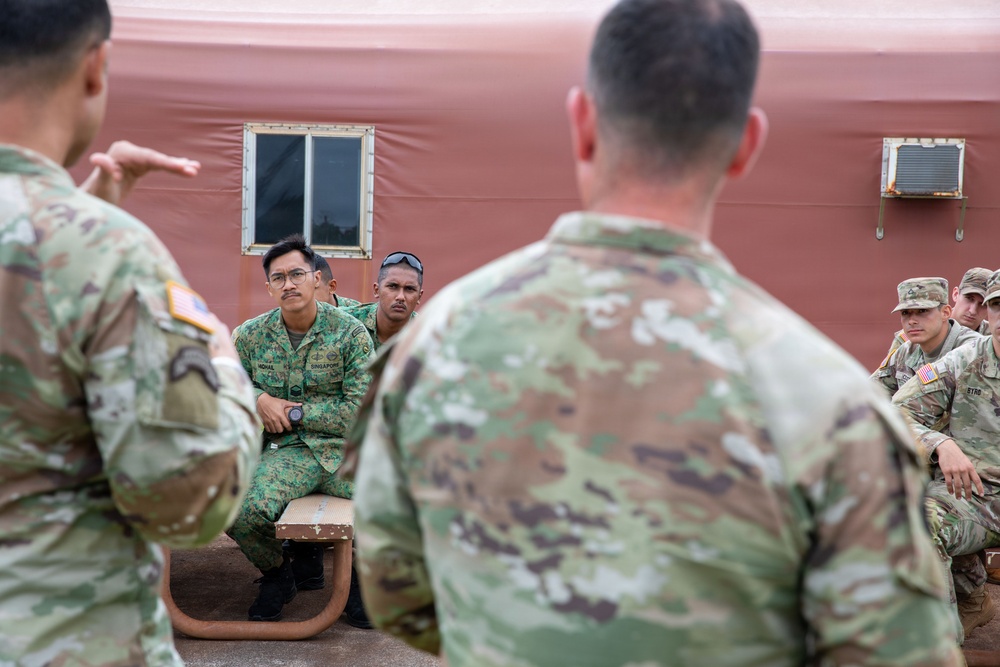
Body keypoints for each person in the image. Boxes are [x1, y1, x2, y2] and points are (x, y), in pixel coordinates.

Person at [350, 1, 961, 665]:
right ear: (746, 145)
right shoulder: (827, 397)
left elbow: (396, 593)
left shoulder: (435, 340)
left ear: (582, 123)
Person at [0, 1, 261, 665]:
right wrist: (227, 370)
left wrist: (84, 214)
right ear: (96, 66)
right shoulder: (112, 256)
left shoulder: (83, 245)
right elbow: (187, 502)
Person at [228, 233, 374, 626]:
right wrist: (259, 398)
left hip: (344, 451)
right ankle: (279, 574)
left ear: (316, 279)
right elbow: (225, 385)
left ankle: (363, 582)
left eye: (297, 274)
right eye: (279, 278)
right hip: (284, 454)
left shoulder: (350, 335)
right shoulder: (249, 336)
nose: (288, 284)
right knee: (240, 511)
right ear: (269, 288)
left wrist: (293, 414)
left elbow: (359, 411)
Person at [893, 269, 1000, 642]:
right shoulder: (964, 359)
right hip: (976, 497)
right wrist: (939, 443)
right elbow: (898, 410)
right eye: (997, 306)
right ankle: (939, 647)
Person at [871, 277, 981, 396]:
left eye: (922, 311)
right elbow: (870, 393)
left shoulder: (973, 350)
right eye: (905, 313)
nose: (911, 321)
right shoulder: (905, 352)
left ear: (945, 313)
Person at [883, 267, 991, 358]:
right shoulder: (912, 336)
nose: (972, 310)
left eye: (983, 304)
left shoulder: (992, 339)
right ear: (955, 294)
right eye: (969, 298)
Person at [343, 251, 423, 351]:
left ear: (419, 297)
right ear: (376, 290)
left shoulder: (427, 334)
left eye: (409, 289)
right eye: (393, 286)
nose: (400, 297)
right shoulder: (346, 323)